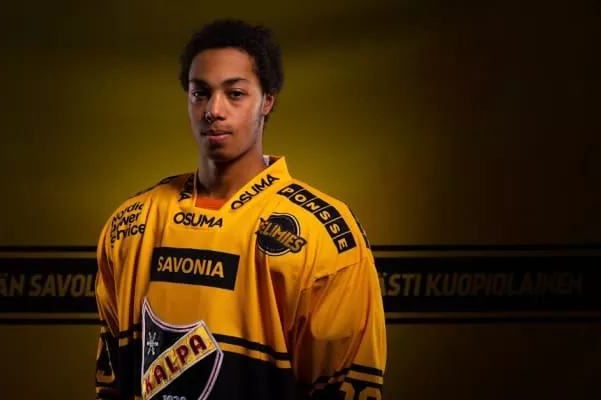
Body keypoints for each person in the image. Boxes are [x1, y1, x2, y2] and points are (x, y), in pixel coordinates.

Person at [94, 19, 386, 400]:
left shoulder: (323, 235)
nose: (213, 110)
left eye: (235, 94)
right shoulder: (132, 225)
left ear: (268, 100)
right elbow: (112, 384)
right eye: (200, 93)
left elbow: (345, 384)